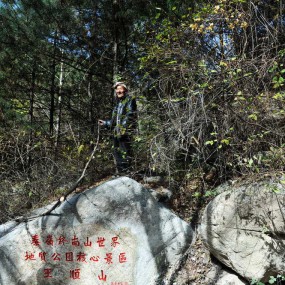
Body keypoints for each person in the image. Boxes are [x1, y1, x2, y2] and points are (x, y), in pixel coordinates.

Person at [98, 82, 137, 175]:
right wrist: (105, 123)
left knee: (126, 152)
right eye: (116, 89)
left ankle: (128, 174)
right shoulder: (118, 104)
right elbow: (114, 121)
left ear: (125, 90)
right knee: (117, 152)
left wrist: (123, 128)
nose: (118, 91)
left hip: (125, 131)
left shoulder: (130, 100)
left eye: (120, 89)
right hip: (117, 132)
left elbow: (130, 115)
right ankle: (121, 174)